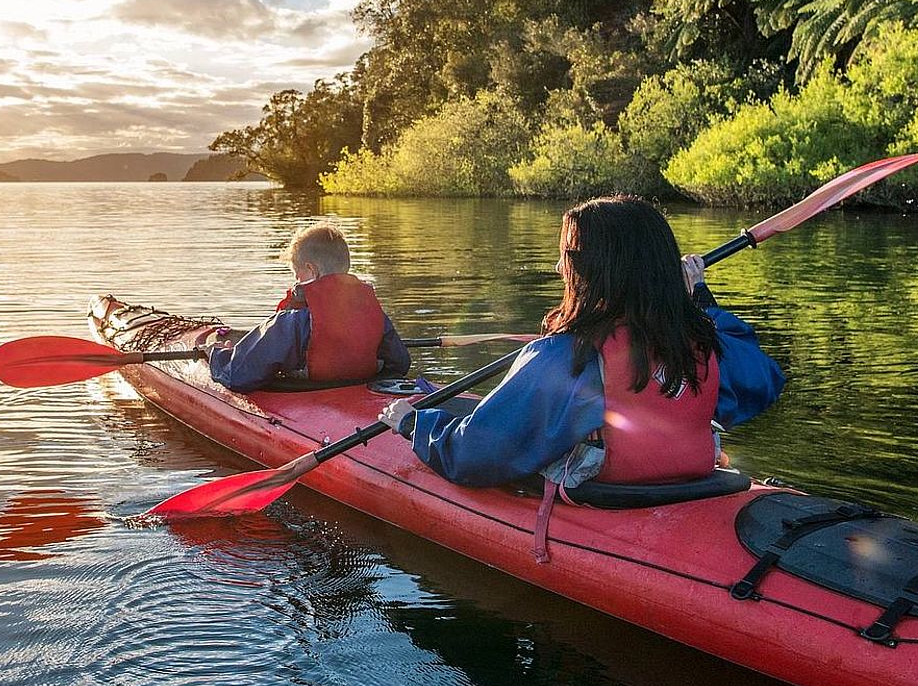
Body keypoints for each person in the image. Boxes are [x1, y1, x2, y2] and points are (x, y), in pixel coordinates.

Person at [376, 195, 784, 491]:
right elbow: (763, 379)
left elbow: (474, 455)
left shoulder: (564, 358)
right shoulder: (700, 343)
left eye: (567, 256)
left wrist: (414, 424)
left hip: (606, 494)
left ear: (594, 271)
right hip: (694, 484)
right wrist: (697, 300)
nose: (559, 268)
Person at [202, 224, 411, 392]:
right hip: (359, 399)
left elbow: (237, 376)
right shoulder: (375, 314)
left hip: (310, 399)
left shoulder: (291, 321)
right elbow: (400, 363)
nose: (296, 281)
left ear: (311, 269)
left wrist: (217, 354)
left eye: (297, 274)